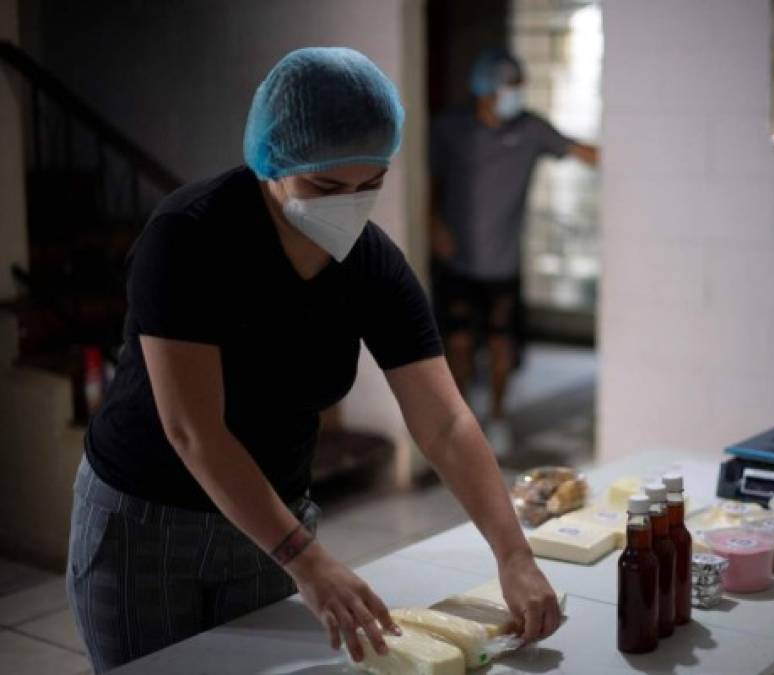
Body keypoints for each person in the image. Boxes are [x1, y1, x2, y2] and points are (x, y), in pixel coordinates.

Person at [66, 47, 561, 673]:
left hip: (269, 518)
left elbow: (445, 423)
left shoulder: (371, 264)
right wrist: (306, 558)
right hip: (148, 519)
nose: (348, 205)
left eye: (370, 184)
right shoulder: (190, 237)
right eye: (325, 186)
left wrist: (513, 554)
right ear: (272, 162)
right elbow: (193, 430)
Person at [429, 48, 598, 456]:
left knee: (502, 344)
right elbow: (426, 179)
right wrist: (432, 226)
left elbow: (583, 152)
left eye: (520, 87)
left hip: (503, 261)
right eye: (510, 87)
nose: (516, 95)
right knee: (460, 343)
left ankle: (499, 417)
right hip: (458, 258)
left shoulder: (531, 130)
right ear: (485, 89)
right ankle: (463, 420)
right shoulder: (451, 129)